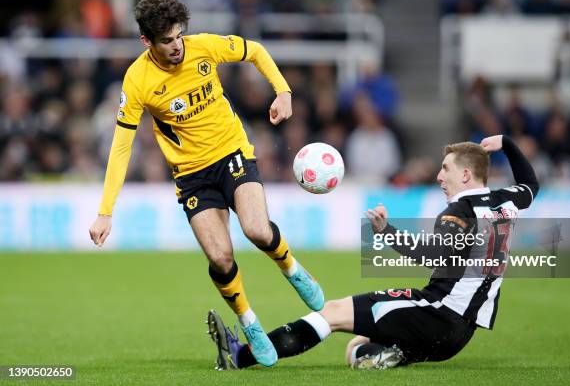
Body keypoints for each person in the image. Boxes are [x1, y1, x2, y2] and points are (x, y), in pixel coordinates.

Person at [88, 0, 324, 367]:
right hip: (192, 177)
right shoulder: (137, 80)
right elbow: (121, 146)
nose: (177, 45)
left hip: (232, 153)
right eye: (166, 40)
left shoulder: (204, 48)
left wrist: (283, 91)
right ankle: (250, 322)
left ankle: (292, 269)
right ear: (147, 41)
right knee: (220, 256)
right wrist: (105, 212)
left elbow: (256, 50)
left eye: (179, 35)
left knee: (258, 231)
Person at [208, 134, 539, 369]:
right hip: (460, 333)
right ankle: (394, 355)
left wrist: (387, 232)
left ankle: (242, 356)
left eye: (446, 169)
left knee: (333, 312)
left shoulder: (459, 212)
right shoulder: (506, 200)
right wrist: (508, 144)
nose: (439, 176)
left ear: (466, 174)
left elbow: (435, 255)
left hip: (435, 312)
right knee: (358, 348)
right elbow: (531, 184)